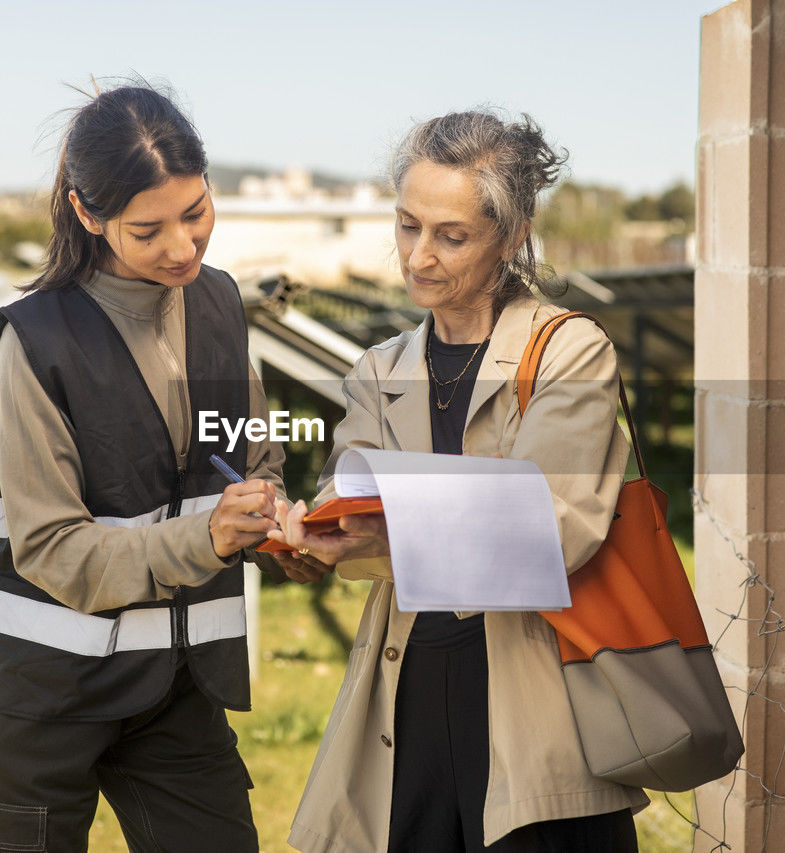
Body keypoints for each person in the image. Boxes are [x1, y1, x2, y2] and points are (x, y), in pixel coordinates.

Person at [267, 111, 648, 852]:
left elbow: (552, 527)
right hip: (405, 690)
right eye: (408, 226)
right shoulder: (379, 369)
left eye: (451, 235)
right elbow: (356, 512)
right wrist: (311, 539)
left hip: (536, 694)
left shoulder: (568, 351)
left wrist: (392, 527)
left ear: (512, 235)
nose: (418, 256)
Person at [0, 82, 287, 852]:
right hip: (41, 695)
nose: (183, 247)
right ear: (87, 214)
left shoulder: (218, 305)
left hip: (174, 689)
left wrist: (275, 524)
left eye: (197, 212)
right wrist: (208, 538)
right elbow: (53, 547)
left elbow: (247, 449)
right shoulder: (36, 344)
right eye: (149, 229)